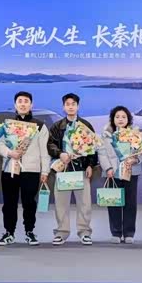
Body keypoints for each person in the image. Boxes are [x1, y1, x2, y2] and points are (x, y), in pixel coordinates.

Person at [0, 91, 50, 246]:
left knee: (29, 203)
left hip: (31, 170)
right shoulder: (7, 124)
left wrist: (45, 171)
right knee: (9, 202)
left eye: (26, 101)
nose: (23, 104)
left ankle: (29, 232)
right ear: (15, 105)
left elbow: (44, 151)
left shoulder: (40, 126)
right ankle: (9, 232)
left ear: (31, 105)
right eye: (20, 101)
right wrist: (9, 153)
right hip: (10, 169)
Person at [47, 93, 98, 246]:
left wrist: (90, 165)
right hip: (63, 169)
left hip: (81, 168)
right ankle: (61, 232)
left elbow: (93, 147)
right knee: (61, 203)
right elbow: (50, 144)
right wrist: (60, 153)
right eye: (67, 104)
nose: (70, 107)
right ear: (63, 107)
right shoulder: (57, 126)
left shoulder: (85, 125)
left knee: (84, 203)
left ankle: (84, 232)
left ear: (78, 106)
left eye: (73, 104)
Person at [97, 106, 142, 244]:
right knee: (114, 203)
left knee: (130, 203)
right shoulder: (106, 135)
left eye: (124, 117)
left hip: (131, 171)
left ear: (128, 119)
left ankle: (129, 233)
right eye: (117, 117)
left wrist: (135, 160)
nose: (120, 119)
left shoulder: (135, 134)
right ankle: (116, 232)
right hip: (112, 173)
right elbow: (102, 153)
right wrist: (108, 168)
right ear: (112, 119)